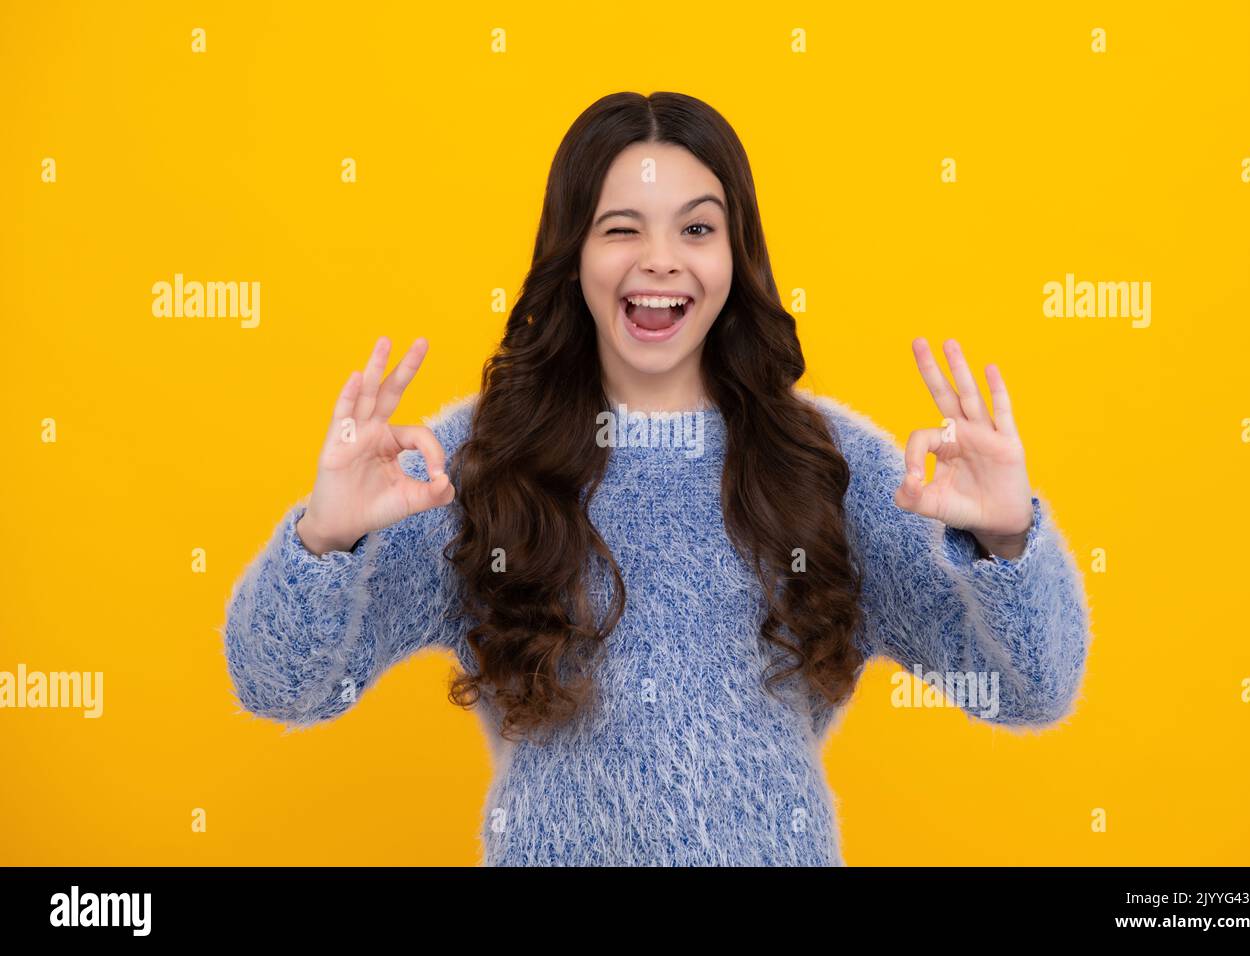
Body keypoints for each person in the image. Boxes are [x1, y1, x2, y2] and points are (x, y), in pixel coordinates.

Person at [222, 90, 1092, 866]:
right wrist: (323, 543)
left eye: (697, 227)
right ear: (574, 258)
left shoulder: (826, 469)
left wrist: (1009, 542)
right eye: (621, 227)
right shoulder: (480, 464)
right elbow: (280, 687)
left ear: (734, 255)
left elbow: (1030, 692)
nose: (661, 260)